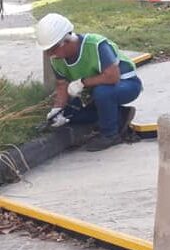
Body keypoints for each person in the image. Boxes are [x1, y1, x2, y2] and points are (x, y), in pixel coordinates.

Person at [36, 13, 143, 152]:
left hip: (126, 84)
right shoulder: (56, 59)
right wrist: (58, 109)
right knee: (69, 114)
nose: (49, 54)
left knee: (103, 93)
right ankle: (119, 115)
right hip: (96, 89)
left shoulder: (96, 45)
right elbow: (62, 85)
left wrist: (82, 83)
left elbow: (113, 77)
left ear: (66, 41)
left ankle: (111, 135)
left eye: (52, 49)